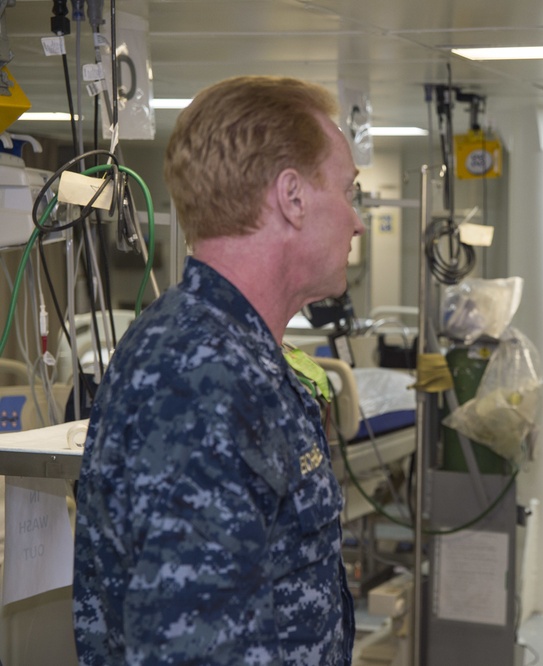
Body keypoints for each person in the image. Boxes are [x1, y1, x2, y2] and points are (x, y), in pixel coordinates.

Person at [73, 76, 364, 665]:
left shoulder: (239, 355)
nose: (358, 222)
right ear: (293, 196)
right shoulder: (200, 380)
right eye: (349, 191)